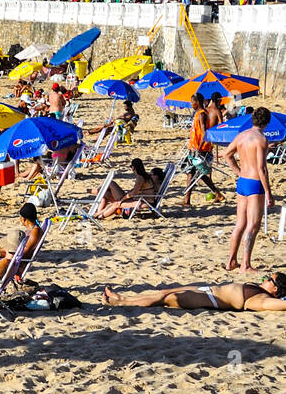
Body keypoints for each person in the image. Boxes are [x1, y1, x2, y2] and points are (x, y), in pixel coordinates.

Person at [223, 106, 273, 273]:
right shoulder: (261, 139)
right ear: (267, 122)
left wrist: (239, 172)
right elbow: (261, 168)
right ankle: (245, 265)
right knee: (252, 226)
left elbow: (226, 155)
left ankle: (231, 261)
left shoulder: (242, 136)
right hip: (255, 183)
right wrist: (268, 192)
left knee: (240, 224)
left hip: (243, 181)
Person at [103, 272, 286, 311]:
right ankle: (124, 297)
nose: (264, 279)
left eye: (268, 279)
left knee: (168, 298)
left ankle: (121, 303)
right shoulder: (258, 289)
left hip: (208, 299)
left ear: (275, 289)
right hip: (205, 290)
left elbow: (280, 305)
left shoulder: (260, 298)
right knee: (163, 292)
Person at [181, 95, 225, 205]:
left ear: (197, 102)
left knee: (201, 174)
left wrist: (200, 147)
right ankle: (187, 200)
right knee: (191, 172)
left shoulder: (202, 115)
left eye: (192, 102)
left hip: (199, 149)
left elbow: (204, 131)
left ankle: (217, 193)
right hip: (193, 147)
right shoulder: (199, 114)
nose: (191, 104)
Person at [95, 159, 161, 219]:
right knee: (110, 196)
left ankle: (99, 217)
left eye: (131, 166)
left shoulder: (140, 178)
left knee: (116, 204)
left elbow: (134, 193)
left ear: (133, 167)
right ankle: (96, 214)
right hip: (141, 199)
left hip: (144, 202)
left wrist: (122, 199)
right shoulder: (145, 176)